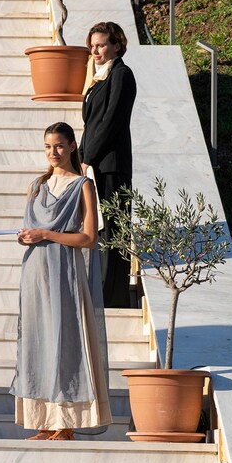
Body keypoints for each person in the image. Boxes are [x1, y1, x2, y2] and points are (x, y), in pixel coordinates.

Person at [12, 122, 112, 441]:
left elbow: (89, 238)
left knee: (65, 341)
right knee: (37, 342)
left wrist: (45, 234)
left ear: (71, 146)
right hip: (35, 273)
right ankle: (44, 420)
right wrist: (28, 237)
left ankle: (65, 422)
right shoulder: (37, 185)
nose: (52, 153)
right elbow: (31, 227)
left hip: (66, 272)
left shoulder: (83, 185)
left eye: (58, 146)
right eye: (47, 147)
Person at [79, 21, 137, 308]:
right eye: (92, 46)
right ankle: (100, 291)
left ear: (116, 45)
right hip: (95, 164)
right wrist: (79, 158)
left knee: (113, 229)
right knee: (100, 229)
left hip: (111, 165)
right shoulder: (99, 77)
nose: (96, 50)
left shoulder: (121, 75)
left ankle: (111, 297)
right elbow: (90, 124)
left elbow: (111, 122)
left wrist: (87, 156)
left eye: (101, 45)